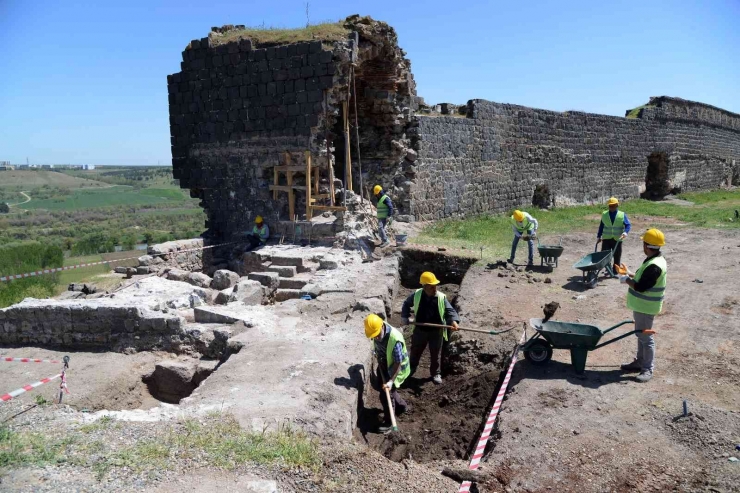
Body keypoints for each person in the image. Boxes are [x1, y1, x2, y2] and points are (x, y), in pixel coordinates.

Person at [619, 228, 667, 383]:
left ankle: (647, 369)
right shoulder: (654, 260)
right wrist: (630, 273)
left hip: (646, 307)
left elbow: (641, 286)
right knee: (641, 335)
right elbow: (643, 278)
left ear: (647, 245)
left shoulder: (655, 266)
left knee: (646, 338)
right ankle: (640, 362)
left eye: (643, 243)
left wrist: (625, 279)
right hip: (642, 306)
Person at [401, 271, 460, 385]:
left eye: (435, 286)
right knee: (415, 351)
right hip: (420, 330)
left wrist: (454, 321)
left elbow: (450, 311)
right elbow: (406, 304)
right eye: (432, 287)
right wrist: (405, 317)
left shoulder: (441, 297)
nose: (435, 289)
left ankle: (435, 373)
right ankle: (411, 368)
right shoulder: (417, 295)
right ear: (425, 287)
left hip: (436, 332)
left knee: (435, 353)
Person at [364, 313, 410, 433]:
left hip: (396, 369)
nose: (376, 338)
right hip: (385, 363)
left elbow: (398, 363)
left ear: (381, 327)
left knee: (386, 394)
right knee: (388, 390)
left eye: (377, 335)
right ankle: (402, 406)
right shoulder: (377, 329)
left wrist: (390, 381)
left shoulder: (395, 340)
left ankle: (389, 422)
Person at [597, 197, 631, 272]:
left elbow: (628, 225)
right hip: (606, 239)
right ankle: (607, 267)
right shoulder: (604, 214)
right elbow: (601, 226)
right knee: (605, 254)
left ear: (617, 205)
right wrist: (599, 236)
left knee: (617, 255)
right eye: (610, 206)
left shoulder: (622, 215)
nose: (611, 207)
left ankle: (616, 269)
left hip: (617, 239)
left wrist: (625, 232)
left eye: (613, 206)